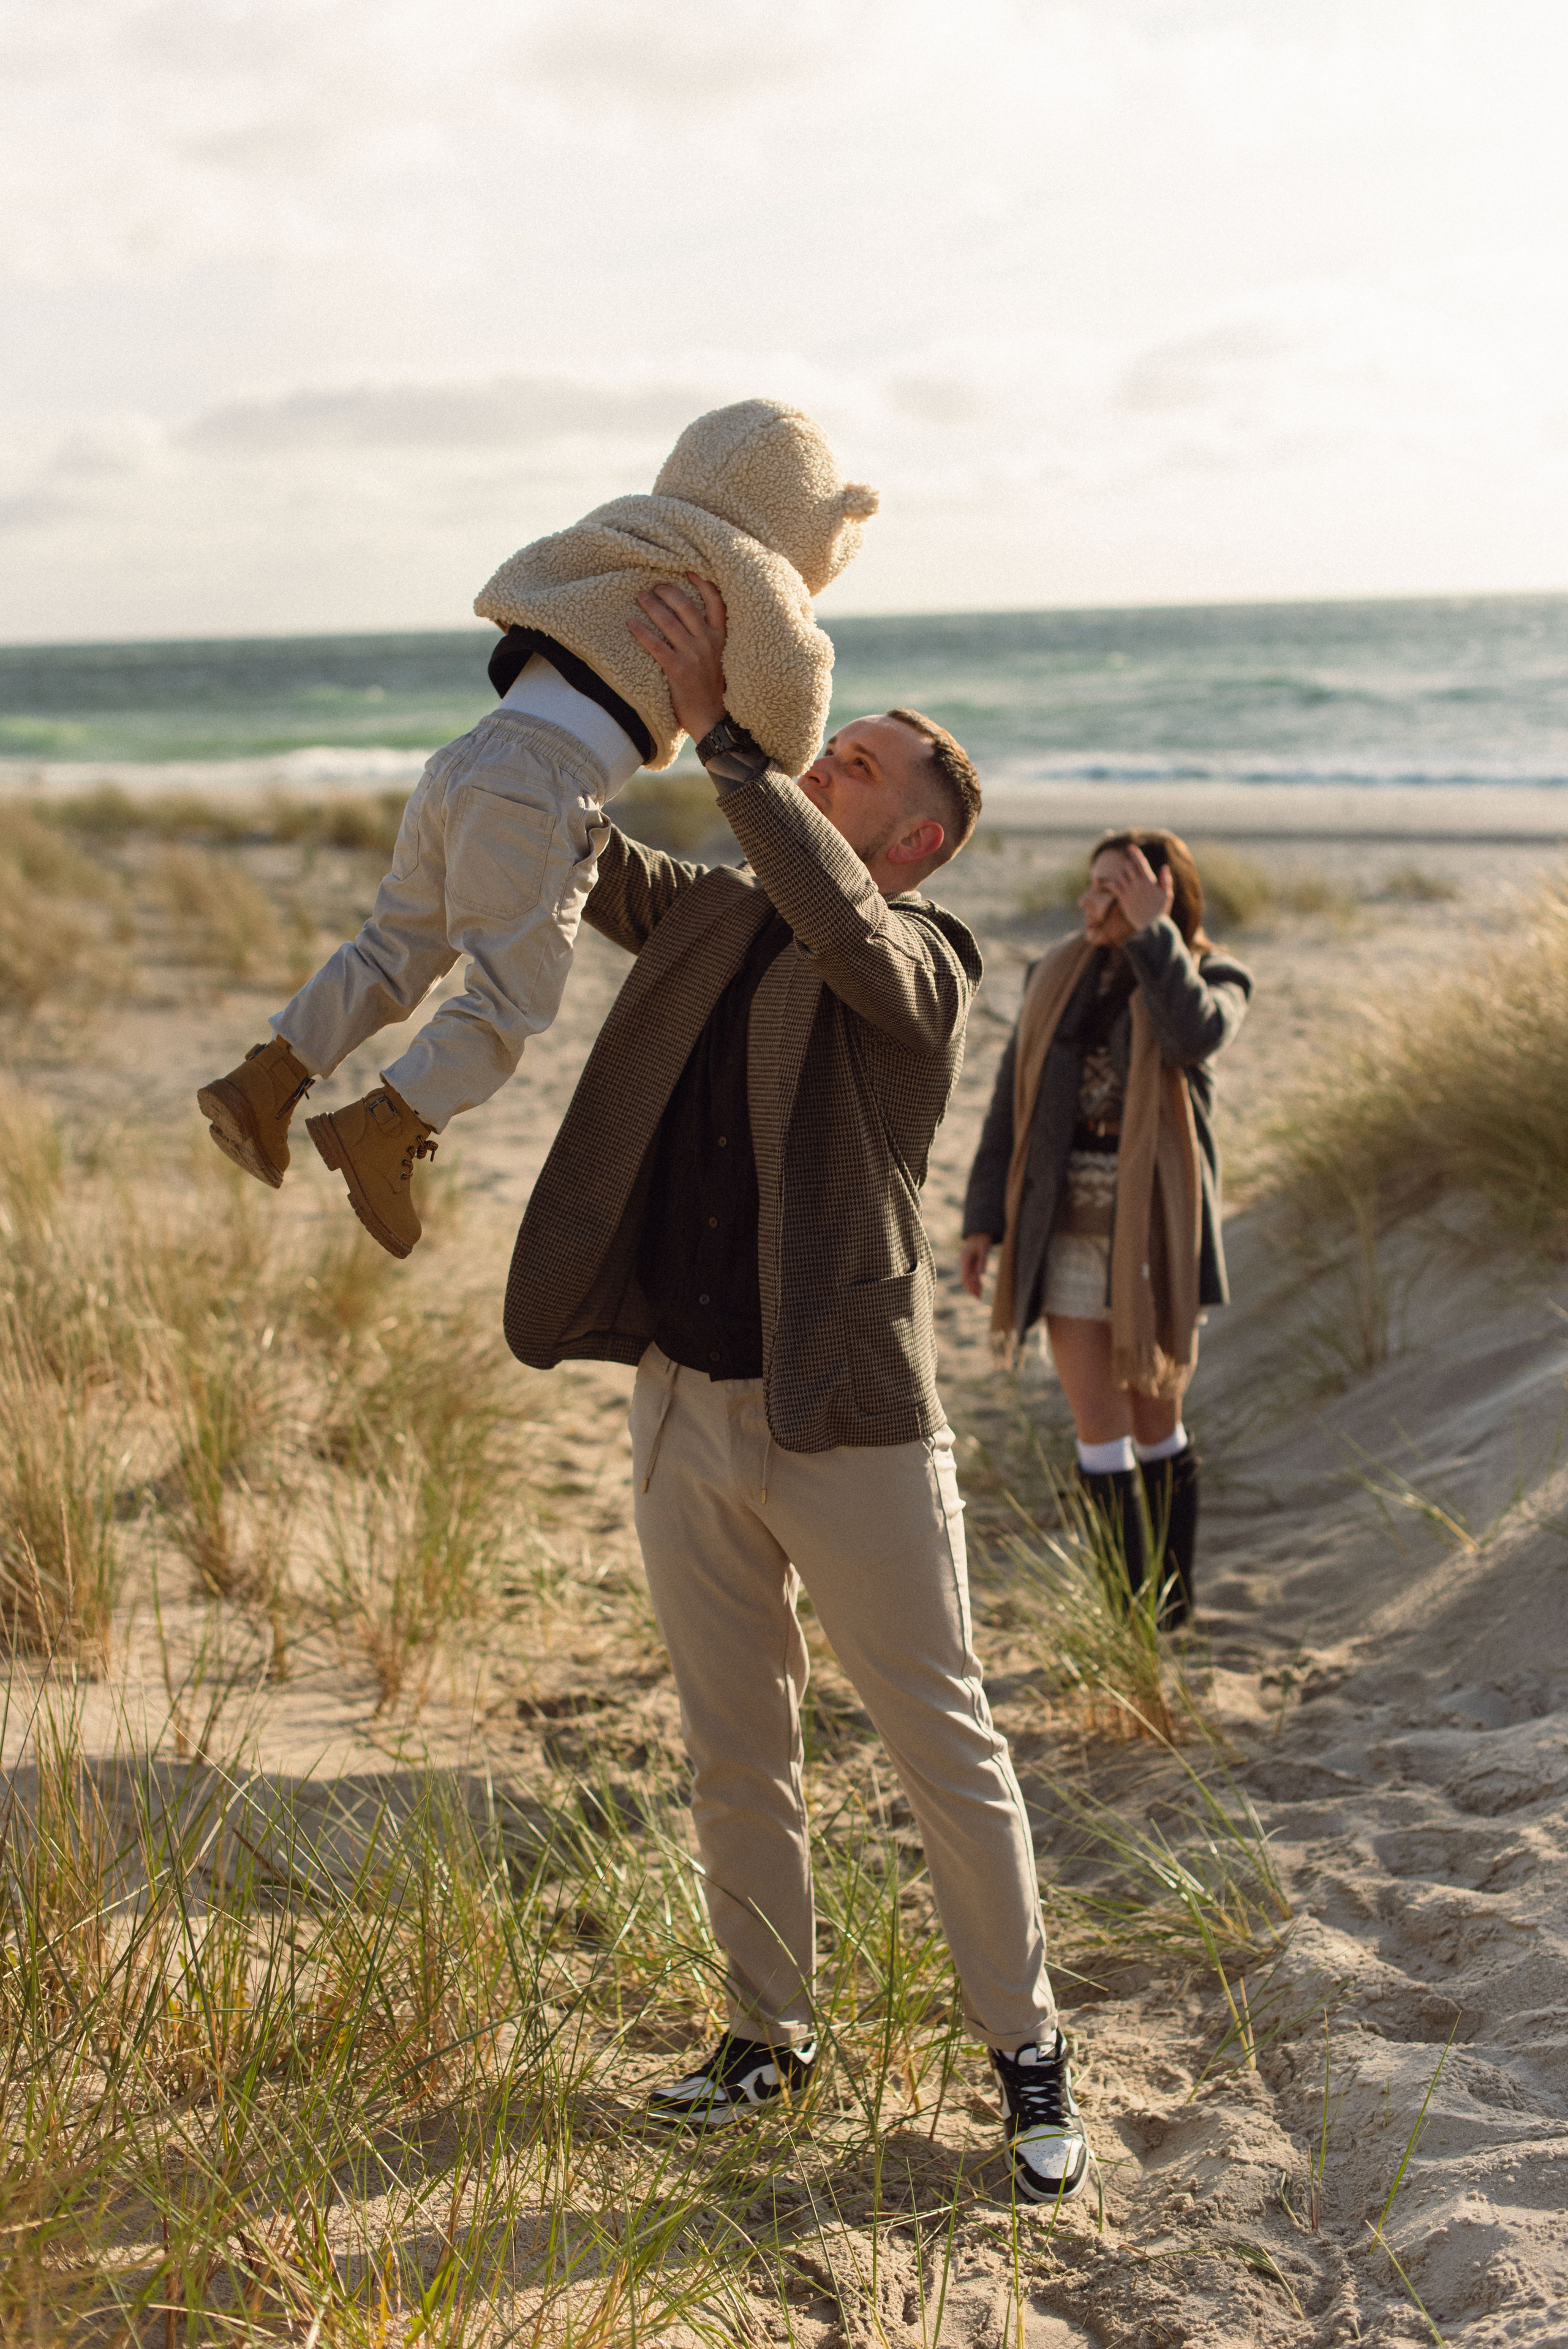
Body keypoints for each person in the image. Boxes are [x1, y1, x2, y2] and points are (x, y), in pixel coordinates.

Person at [503, 576, 1091, 2205]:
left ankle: (1027, 2050)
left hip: (852, 1429)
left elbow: (837, 923)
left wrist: (736, 750)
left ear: (913, 841)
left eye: (859, 768)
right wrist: (557, 699)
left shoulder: (925, 961)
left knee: (943, 1745)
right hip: (682, 1404)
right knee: (732, 1745)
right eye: (832, 752)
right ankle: (766, 2034)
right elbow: (577, 851)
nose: (828, 762)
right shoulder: (712, 911)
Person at [194, 400, 878, 1258]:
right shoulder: (749, 567)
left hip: (467, 758)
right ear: (809, 520)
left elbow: (514, 585)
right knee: (511, 996)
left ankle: (267, 1078)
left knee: (395, 945)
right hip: (546, 781)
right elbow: (788, 708)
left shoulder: (629, 523)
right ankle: (390, 1123)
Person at [959, 833, 1252, 1621]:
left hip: (1155, 1232)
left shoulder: (1213, 975)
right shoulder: (1055, 972)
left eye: (1110, 891)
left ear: (1156, 898)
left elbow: (1190, 1036)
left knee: (1156, 1421)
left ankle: (1172, 1607)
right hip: (1059, 1223)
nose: (1089, 905)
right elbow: (1007, 1104)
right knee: (1097, 1423)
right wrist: (983, 1219)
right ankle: (1129, 1617)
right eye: (1090, 887)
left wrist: (1154, 937)